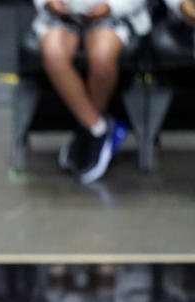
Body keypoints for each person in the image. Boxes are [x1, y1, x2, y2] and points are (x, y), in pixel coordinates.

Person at [33, 0, 151, 184]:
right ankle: (98, 127)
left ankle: (88, 133)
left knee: (102, 58)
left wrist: (112, 7)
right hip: (63, 15)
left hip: (114, 13)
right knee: (54, 54)